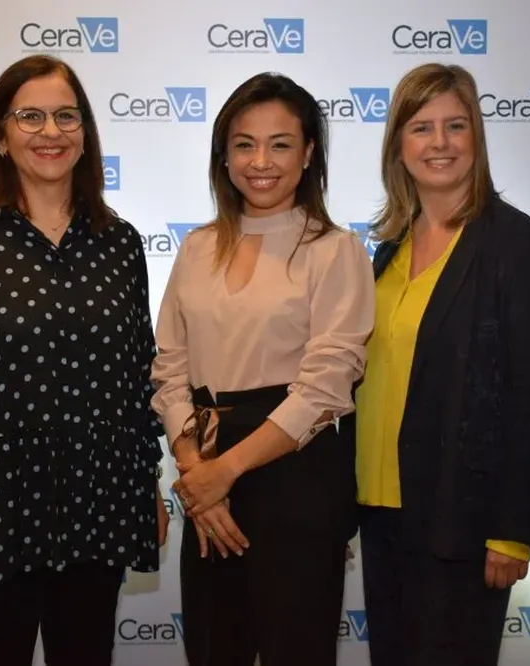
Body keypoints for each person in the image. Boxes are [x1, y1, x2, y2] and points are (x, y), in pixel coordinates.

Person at [0, 54, 169, 666]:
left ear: (86, 133)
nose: (51, 131)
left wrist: (147, 483)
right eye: (31, 116)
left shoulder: (118, 241)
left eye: (67, 116)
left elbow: (135, 378)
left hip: (98, 499)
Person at [150, 72, 375, 666]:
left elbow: (328, 383)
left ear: (308, 155)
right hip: (205, 467)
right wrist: (198, 473)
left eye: (280, 144)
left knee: (294, 650)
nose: (261, 161)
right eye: (245, 143)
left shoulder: (335, 249)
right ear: (224, 156)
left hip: (295, 473)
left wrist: (226, 470)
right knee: (212, 647)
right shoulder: (196, 247)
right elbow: (170, 369)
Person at [346, 63, 530, 665]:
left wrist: (513, 529)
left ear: (477, 138)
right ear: (398, 145)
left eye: (455, 126)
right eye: (421, 128)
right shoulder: (388, 248)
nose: (438, 143)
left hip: (464, 522)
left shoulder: (518, 246)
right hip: (380, 508)